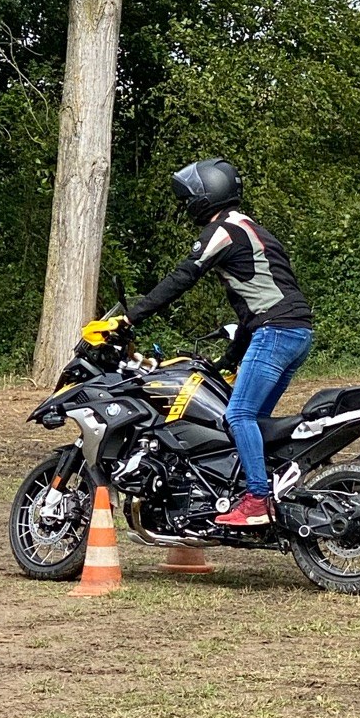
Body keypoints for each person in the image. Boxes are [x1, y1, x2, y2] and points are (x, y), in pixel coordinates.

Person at [123, 158, 314, 528]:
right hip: (295, 332)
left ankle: (257, 500)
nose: (186, 205)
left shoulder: (222, 232)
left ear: (205, 195)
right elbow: (254, 305)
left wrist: (132, 316)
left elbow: (182, 277)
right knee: (254, 421)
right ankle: (270, 488)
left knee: (238, 415)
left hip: (275, 332)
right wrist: (230, 358)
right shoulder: (254, 230)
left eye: (189, 197)